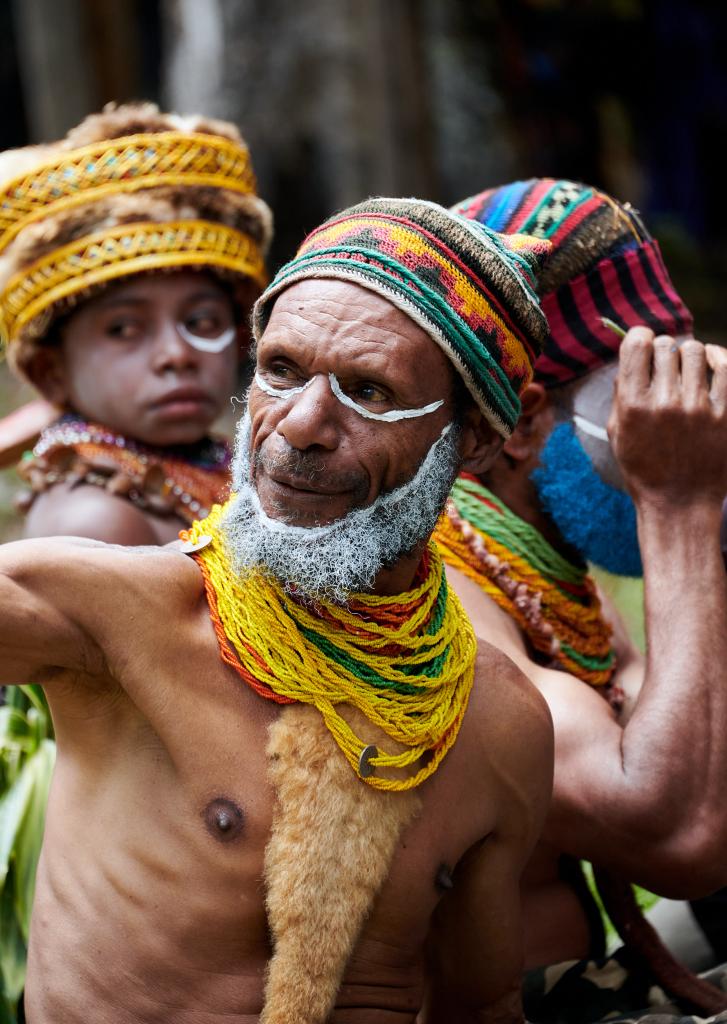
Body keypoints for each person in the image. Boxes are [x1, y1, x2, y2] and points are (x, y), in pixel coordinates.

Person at [0, 198, 554, 1024]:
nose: (298, 428)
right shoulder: (112, 617)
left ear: (475, 436)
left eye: (368, 391)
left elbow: (483, 1002)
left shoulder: (499, 721)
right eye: (282, 371)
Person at [432, 178, 727, 1020]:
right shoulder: (442, 592)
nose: (680, 422)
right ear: (518, 427)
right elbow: (679, 837)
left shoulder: (542, 571)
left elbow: (681, 730)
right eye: (641, 400)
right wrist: (677, 507)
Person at [0, 102, 272, 544]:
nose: (176, 355)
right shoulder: (92, 522)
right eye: (123, 330)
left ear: (240, 337)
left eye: (202, 321)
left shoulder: (214, 470)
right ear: (51, 372)